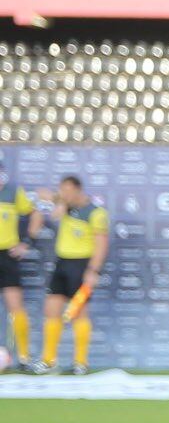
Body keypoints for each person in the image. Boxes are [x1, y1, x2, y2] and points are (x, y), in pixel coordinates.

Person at [34, 174, 107, 375]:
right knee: (51, 310)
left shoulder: (95, 212)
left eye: (67, 190)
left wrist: (93, 271)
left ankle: (80, 363)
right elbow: (52, 214)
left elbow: (101, 244)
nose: (64, 193)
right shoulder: (65, 206)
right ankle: (48, 360)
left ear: (77, 189)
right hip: (62, 263)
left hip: (82, 265)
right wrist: (54, 200)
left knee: (78, 313)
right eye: (61, 190)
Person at [0, 157, 33, 367]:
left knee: (16, 307)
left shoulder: (13, 192)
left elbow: (34, 213)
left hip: (7, 256)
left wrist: (25, 243)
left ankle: (23, 358)